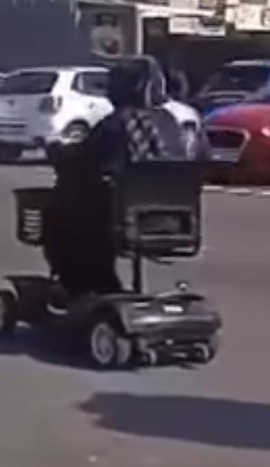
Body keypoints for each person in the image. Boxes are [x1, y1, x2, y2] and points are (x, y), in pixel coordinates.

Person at [43, 58, 187, 302]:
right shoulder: (169, 122)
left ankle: (81, 286)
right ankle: (102, 281)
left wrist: (55, 150)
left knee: (63, 208)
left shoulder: (116, 123)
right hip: (170, 217)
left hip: (116, 217)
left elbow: (81, 159)